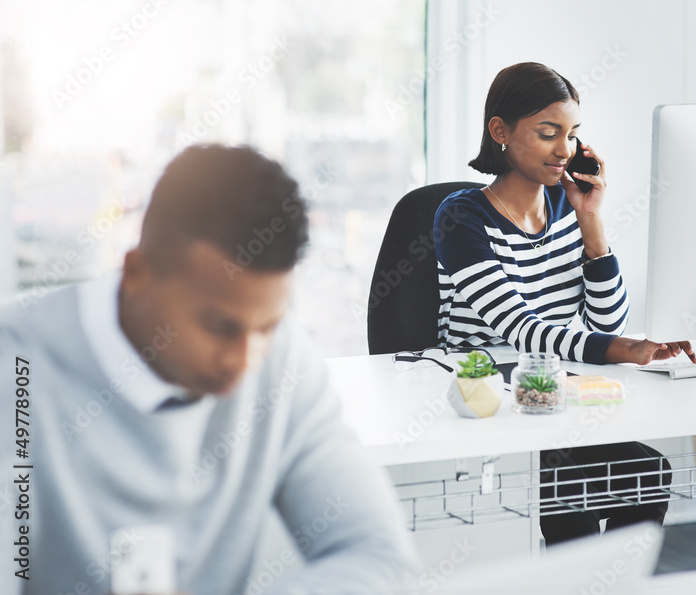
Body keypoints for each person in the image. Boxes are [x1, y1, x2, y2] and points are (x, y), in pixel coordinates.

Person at [0, 145, 419, 595]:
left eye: (268, 326)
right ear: (137, 273)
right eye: (219, 327)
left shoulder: (280, 360)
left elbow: (378, 558)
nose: (244, 360)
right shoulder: (18, 369)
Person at [433, 62, 696, 545]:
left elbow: (606, 318)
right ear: (501, 132)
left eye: (573, 134)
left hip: (554, 384)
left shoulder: (565, 206)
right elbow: (520, 329)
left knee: (645, 473)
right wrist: (624, 349)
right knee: (571, 481)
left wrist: (591, 220)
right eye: (548, 133)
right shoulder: (461, 217)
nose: (564, 150)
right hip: (490, 386)